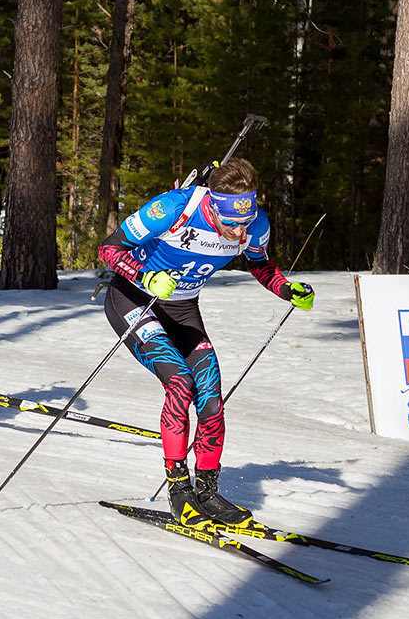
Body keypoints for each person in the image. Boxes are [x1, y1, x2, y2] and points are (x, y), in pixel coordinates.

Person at [96, 157, 315, 529]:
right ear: (214, 205)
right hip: (134, 298)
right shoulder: (174, 208)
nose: (239, 230)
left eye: (245, 221)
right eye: (231, 222)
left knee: (211, 397)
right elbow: (108, 250)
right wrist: (147, 276)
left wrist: (286, 288)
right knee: (180, 383)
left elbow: (259, 263)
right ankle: (179, 491)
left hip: (182, 309)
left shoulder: (254, 222)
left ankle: (208, 489)